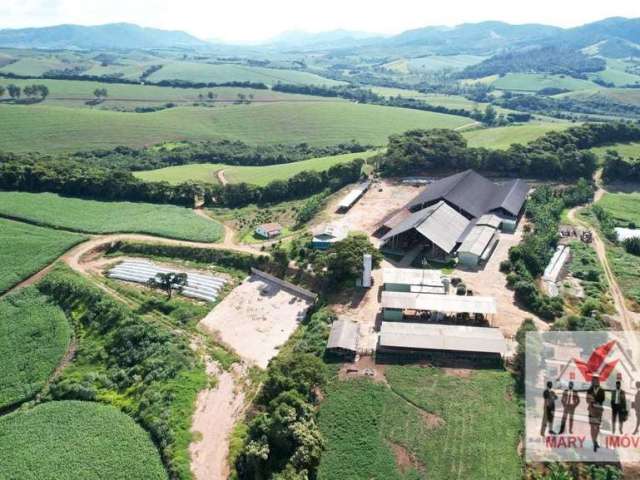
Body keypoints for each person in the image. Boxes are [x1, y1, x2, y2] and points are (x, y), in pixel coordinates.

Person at [587, 375, 606, 452]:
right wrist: (591, 400)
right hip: (591, 410)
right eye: (594, 381)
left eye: (597, 381)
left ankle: (595, 440)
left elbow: (602, 399)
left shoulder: (602, 390)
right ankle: (594, 442)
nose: (596, 382)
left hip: (598, 411)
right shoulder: (589, 390)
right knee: (592, 426)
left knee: (597, 427)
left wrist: (595, 400)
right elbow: (587, 400)